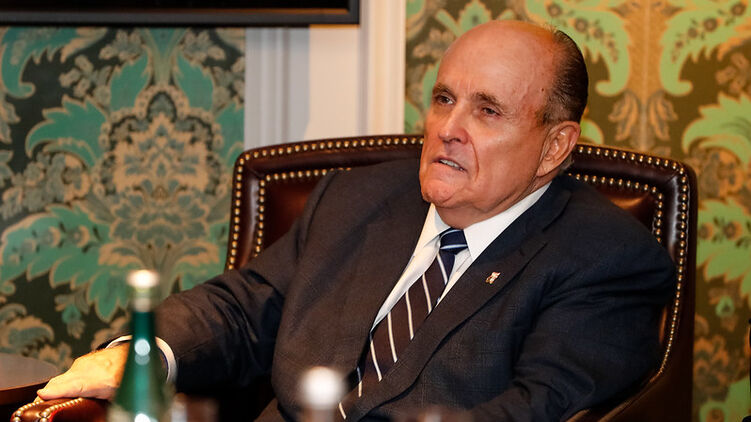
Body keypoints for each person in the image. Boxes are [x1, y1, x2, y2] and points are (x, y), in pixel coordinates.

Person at [38, 20, 674, 421]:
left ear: (555, 146)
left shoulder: (604, 257)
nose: (448, 129)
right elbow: (243, 307)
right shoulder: (359, 199)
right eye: (444, 99)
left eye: (487, 111)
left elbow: (537, 410)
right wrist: (142, 356)